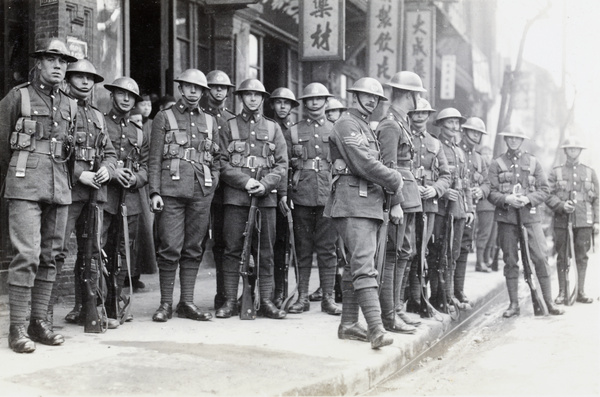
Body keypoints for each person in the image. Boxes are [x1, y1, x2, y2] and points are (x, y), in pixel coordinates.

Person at [0, 38, 78, 353]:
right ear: (39, 63)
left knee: (51, 255)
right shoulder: (17, 97)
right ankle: (17, 327)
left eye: (63, 61)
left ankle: (39, 322)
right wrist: (16, 176)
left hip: (58, 185)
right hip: (24, 182)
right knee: (27, 256)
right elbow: (2, 146)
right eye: (52, 59)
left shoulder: (70, 103)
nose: (59, 66)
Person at [326, 77, 403, 349]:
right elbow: (363, 162)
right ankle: (375, 327)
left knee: (355, 265)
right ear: (354, 96)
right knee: (364, 266)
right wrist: (394, 179)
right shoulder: (347, 124)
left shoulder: (365, 127)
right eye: (365, 96)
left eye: (376, 98)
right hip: (352, 201)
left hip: (367, 202)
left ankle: (348, 324)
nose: (371, 101)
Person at [149, 69, 219, 322]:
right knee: (169, 246)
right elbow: (154, 157)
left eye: (197, 88)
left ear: (202, 92)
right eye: (188, 87)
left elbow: (217, 157)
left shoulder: (210, 121)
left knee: (194, 247)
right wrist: (155, 191)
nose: (192, 92)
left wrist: (213, 183)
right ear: (180, 89)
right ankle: (165, 303)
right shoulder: (163, 117)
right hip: (170, 191)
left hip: (201, 191)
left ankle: (186, 302)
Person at [52, 59, 118, 328]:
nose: (85, 82)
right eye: (79, 77)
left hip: (95, 196)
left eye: (90, 79)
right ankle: (42, 314)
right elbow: (55, 149)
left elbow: (110, 153)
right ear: (68, 80)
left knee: (92, 253)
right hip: (68, 191)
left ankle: (88, 309)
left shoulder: (98, 116)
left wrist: (107, 169)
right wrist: (80, 173)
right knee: (56, 250)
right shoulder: (60, 110)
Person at [216, 78, 288, 320]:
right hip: (236, 198)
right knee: (232, 250)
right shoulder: (229, 126)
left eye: (257, 95)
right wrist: (245, 181)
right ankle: (228, 300)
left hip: (265, 199)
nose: (253, 99)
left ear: (263, 98)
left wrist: (265, 184)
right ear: (241, 98)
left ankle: (266, 299)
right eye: (248, 95)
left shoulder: (273, 128)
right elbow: (221, 163)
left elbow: (282, 165)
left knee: (265, 250)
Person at [488, 125, 564, 317]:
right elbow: (490, 191)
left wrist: (528, 199)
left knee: (540, 257)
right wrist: (507, 199)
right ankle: (514, 305)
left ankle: (548, 301)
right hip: (507, 219)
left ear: (522, 140)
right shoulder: (497, 163)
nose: (513, 141)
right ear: (506, 140)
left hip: (530, 218)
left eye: (517, 138)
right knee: (510, 260)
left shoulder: (533, 162)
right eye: (510, 138)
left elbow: (545, 190)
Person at [376, 71, 428, 333]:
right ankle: (389, 315)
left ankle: (396, 307)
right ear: (409, 95)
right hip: (399, 196)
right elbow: (388, 166)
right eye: (417, 94)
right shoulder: (390, 125)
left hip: (408, 195)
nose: (418, 99)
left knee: (404, 251)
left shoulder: (401, 123)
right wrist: (394, 201)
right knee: (394, 253)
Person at [283, 82, 341, 316]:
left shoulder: (336, 130)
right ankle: (302, 297)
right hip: (302, 195)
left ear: (326, 102)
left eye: (319, 99)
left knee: (328, 249)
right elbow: (285, 165)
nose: (315, 103)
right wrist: (286, 195)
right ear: (305, 103)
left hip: (328, 195)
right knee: (303, 248)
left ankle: (328, 298)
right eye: (310, 99)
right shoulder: (293, 131)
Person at [102, 76, 149, 323]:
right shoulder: (100, 123)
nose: (126, 99)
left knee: (123, 252)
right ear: (112, 96)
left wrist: (136, 179)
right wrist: (112, 172)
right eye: (121, 94)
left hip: (128, 200)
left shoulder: (139, 133)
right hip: (104, 197)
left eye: (131, 96)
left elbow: (146, 167)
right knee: (96, 251)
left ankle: (114, 302)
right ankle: (88, 303)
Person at [405, 98, 451, 314]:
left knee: (421, 251)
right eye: (416, 112)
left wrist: (435, 190)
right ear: (410, 115)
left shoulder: (435, 143)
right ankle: (403, 299)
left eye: (424, 113)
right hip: (407, 200)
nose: (420, 116)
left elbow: (446, 175)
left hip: (429, 203)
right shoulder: (402, 136)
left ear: (429, 116)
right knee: (407, 250)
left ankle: (417, 299)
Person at [428, 108, 474, 312]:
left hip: (459, 210)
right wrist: (443, 193)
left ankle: (448, 295)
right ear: (440, 125)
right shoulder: (435, 146)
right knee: (438, 252)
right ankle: (437, 296)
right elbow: (431, 177)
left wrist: (469, 208)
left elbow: (465, 183)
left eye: (457, 123)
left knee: (453, 253)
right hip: (441, 209)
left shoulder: (460, 151)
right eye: (449, 123)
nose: (454, 127)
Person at [198, 70, 236, 310]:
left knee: (224, 242)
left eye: (223, 88)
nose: (219, 91)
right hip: (200, 185)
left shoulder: (231, 120)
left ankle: (223, 295)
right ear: (207, 90)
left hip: (226, 190)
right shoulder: (199, 116)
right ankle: (185, 298)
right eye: (214, 87)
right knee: (195, 241)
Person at [547, 136, 598, 304]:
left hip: (584, 220)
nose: (573, 151)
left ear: (580, 151)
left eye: (576, 149)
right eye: (570, 148)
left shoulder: (589, 171)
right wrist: (561, 205)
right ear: (565, 150)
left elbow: (597, 198)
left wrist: (597, 221)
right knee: (562, 255)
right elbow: (547, 194)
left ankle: (581, 291)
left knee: (582, 256)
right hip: (562, 220)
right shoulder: (556, 171)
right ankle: (562, 292)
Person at [268, 87, 299, 308]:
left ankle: (281, 291)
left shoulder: (295, 130)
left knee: (285, 243)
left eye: (286, 103)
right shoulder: (267, 126)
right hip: (271, 191)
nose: (282, 106)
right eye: (278, 102)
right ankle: (267, 291)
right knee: (268, 244)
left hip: (291, 193)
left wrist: (286, 194)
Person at [454, 117, 491, 303]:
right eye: (473, 132)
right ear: (465, 131)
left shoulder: (480, 159)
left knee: (464, 246)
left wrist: (481, 191)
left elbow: (487, 183)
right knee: (449, 249)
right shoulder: (455, 150)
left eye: (479, 133)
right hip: (453, 207)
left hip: (471, 209)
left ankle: (458, 290)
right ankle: (445, 292)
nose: (476, 136)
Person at [473, 145, 497, 272]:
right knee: (484, 234)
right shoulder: (480, 169)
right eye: (485, 154)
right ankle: (480, 261)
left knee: (492, 235)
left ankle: (487, 260)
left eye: (489, 154)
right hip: (484, 205)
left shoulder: (493, 168)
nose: (488, 156)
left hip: (493, 205)